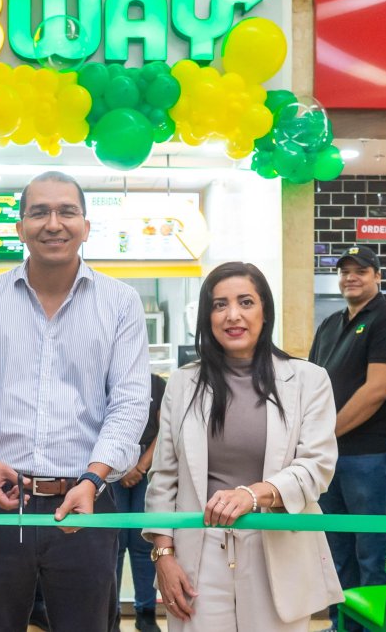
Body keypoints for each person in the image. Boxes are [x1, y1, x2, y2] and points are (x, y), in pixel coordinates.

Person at [0, 171, 150, 631]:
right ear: (20, 226)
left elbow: (131, 402)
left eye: (66, 211)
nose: (53, 223)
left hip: (86, 501)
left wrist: (93, 479)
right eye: (39, 212)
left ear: (85, 225)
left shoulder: (120, 303)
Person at [144, 262, 342, 631]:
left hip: (278, 551)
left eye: (246, 302)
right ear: (207, 316)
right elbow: (164, 478)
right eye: (219, 305)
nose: (232, 315)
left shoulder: (308, 380)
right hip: (198, 555)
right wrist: (163, 554)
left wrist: (255, 495)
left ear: (264, 311)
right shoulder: (184, 384)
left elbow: (317, 466)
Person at [308, 246, 386, 628]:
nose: (351, 277)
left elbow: (376, 392)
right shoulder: (332, 323)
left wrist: (324, 435)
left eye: (361, 270)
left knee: (373, 553)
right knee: (337, 551)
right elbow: (312, 383)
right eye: (345, 271)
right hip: (331, 458)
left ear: (378, 276)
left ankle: (373, 627)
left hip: (371, 455)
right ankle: (343, 625)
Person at [113, 373, 166, 632]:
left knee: (142, 542)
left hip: (148, 468)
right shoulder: (106, 381)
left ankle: (146, 613)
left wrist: (141, 466)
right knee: (113, 542)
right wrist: (120, 467)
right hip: (109, 468)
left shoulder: (156, 383)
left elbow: (165, 429)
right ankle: (109, 614)